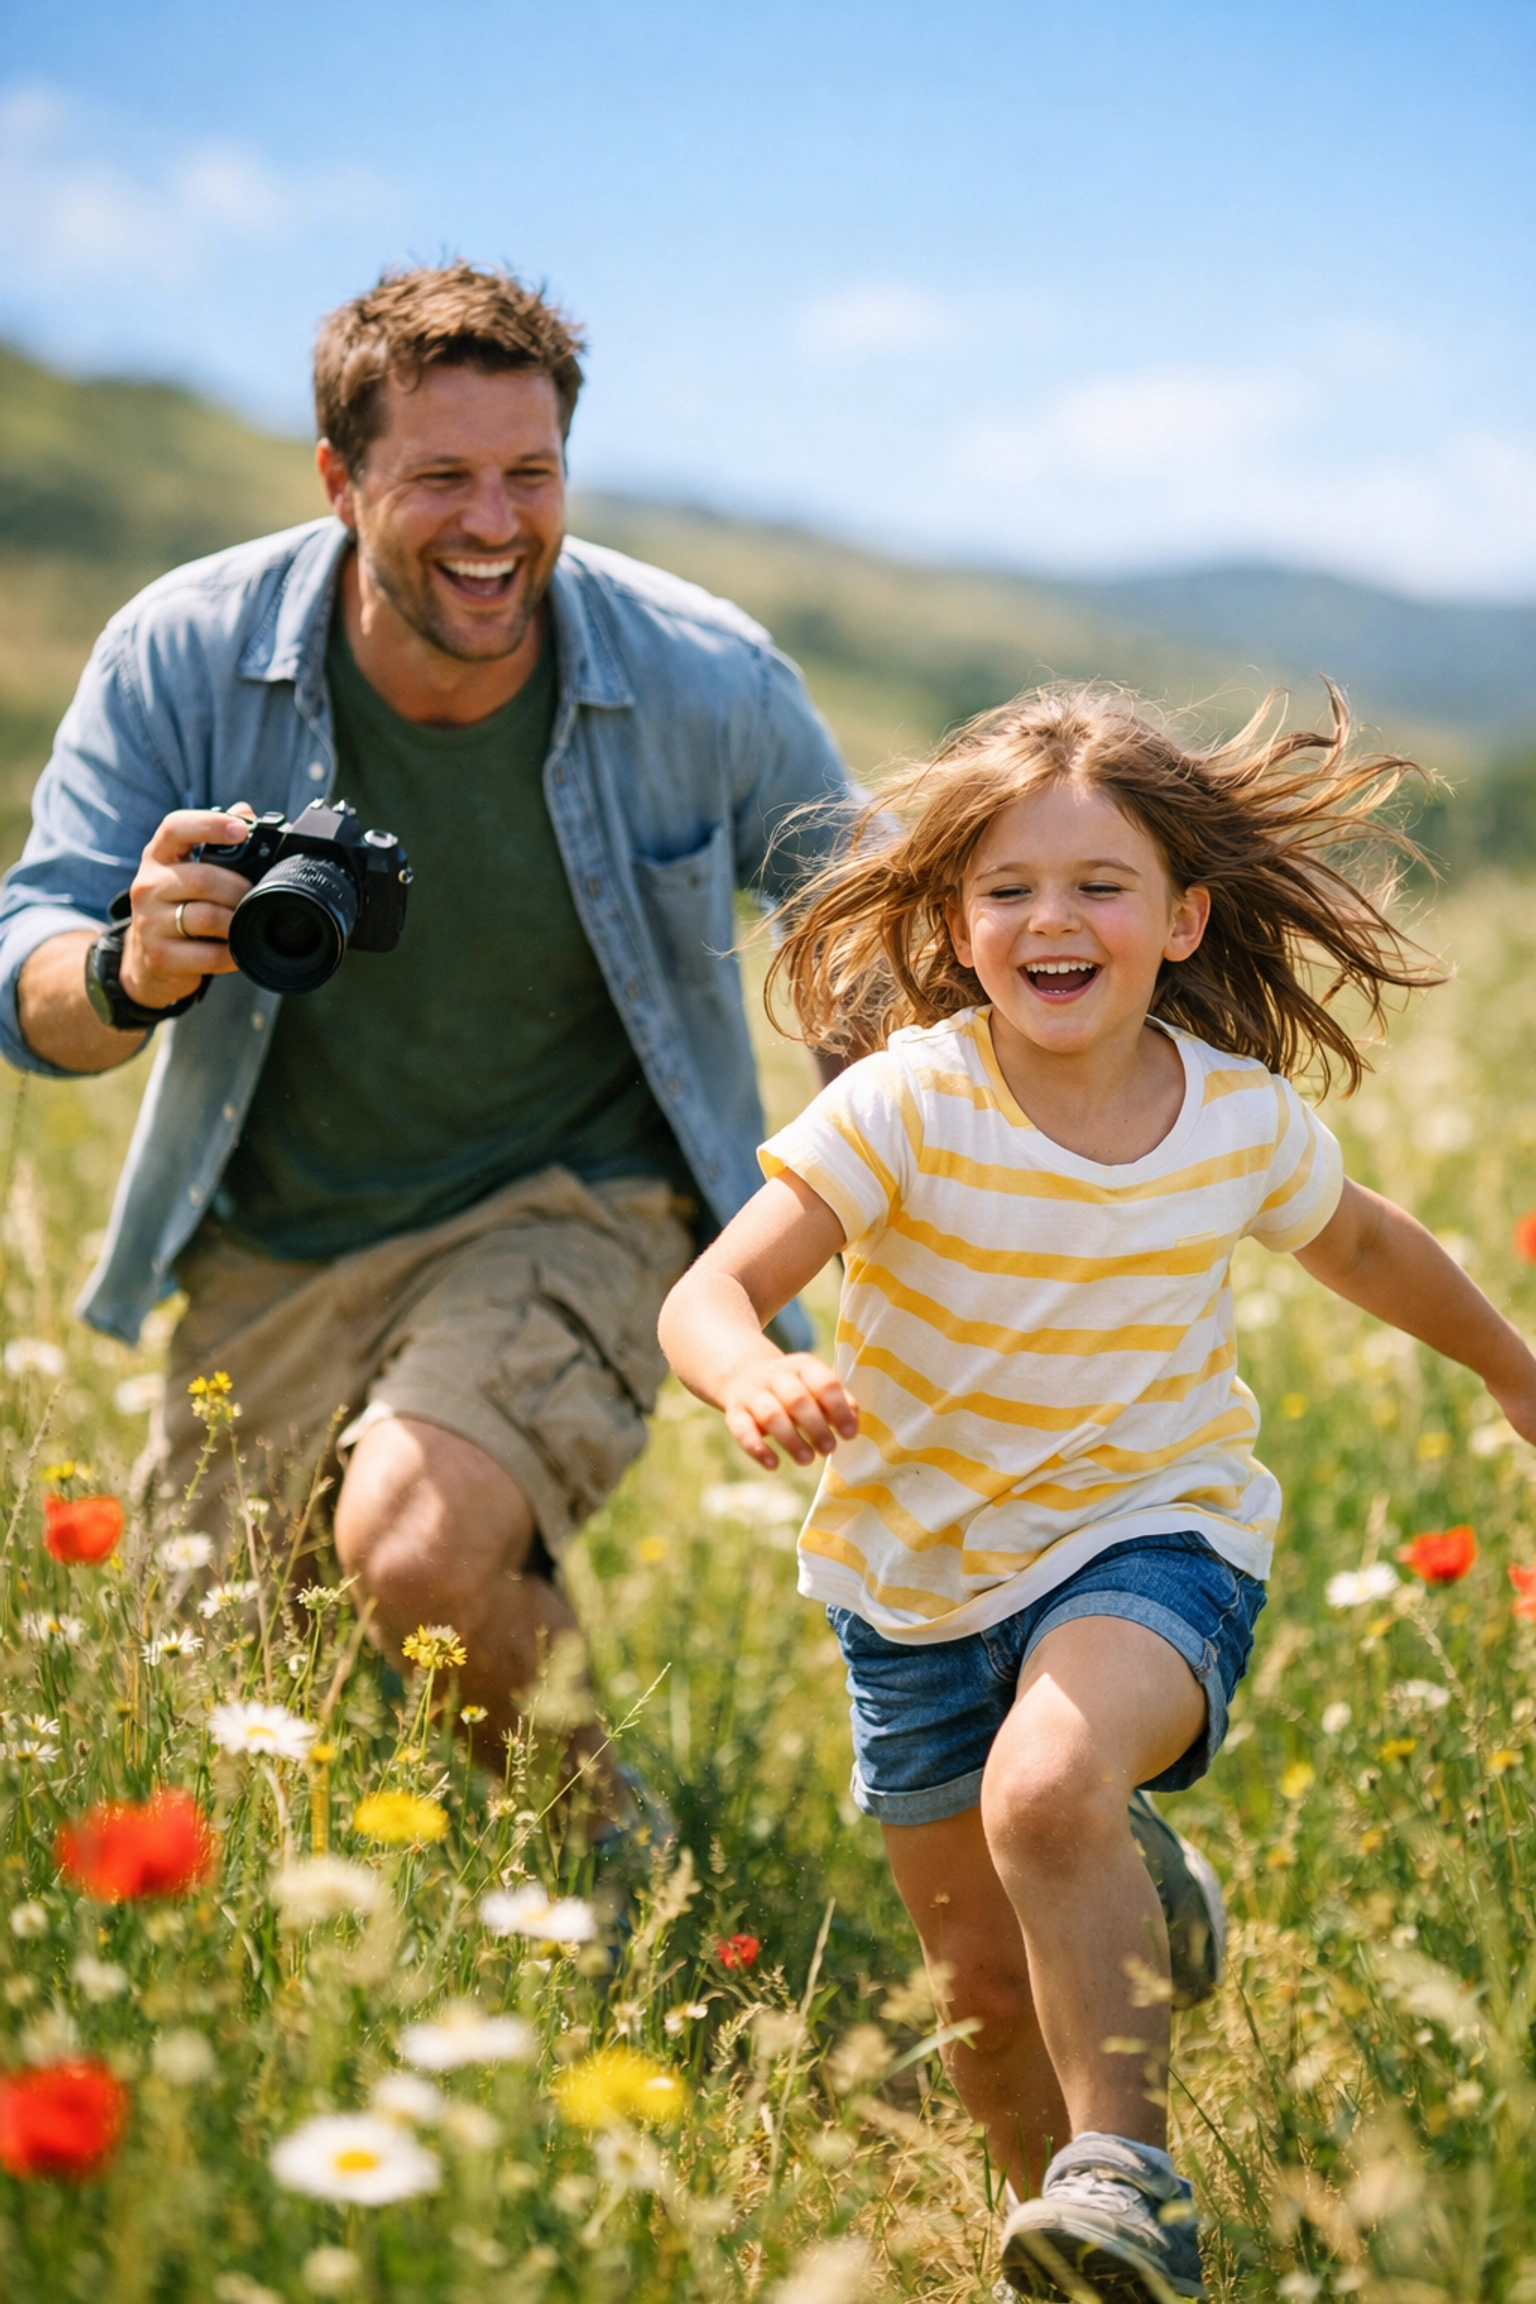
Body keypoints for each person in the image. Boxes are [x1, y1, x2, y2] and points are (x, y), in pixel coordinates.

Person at [658, 682, 1536, 2300]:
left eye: (1098, 884)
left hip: (1154, 1533)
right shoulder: (909, 1101)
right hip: (914, 1586)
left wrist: (1509, 1364)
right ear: (956, 921)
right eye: (1008, 889)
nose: (1051, 918)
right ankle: (1071, 2245)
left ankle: (1131, 2172)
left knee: (1044, 1792)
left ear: (1184, 917)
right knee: (984, 1993)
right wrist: (748, 1371)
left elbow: (1364, 1243)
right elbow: (709, 1294)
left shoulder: (1233, 1121)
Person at [0, 261, 861, 1842]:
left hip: (580, 1203)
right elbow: (30, 976)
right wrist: (126, 968)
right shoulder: (179, 654)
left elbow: (865, 925)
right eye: (442, 478)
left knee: (413, 1549)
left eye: (531, 475)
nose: (495, 524)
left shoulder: (706, 675)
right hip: (275, 1244)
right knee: (221, 1726)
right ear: (339, 480)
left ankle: (616, 1865)